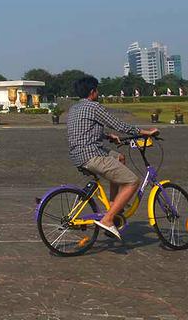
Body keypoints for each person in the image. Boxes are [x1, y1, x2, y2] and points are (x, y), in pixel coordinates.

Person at [66, 75, 159, 239]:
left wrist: (108, 136)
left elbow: (84, 130)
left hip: (78, 155)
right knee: (133, 182)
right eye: (97, 90)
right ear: (93, 92)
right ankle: (108, 219)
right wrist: (145, 132)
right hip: (92, 155)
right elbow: (119, 125)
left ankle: (113, 206)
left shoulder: (75, 109)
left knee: (119, 158)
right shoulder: (94, 107)